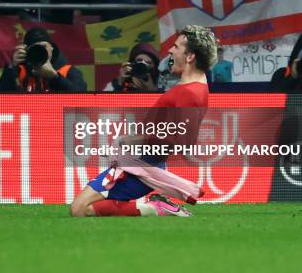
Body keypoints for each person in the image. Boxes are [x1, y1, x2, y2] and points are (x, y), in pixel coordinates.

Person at [70, 25, 218, 217]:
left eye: (176, 47)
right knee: (86, 208)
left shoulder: (190, 92)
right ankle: (154, 207)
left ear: (190, 56)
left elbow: (183, 141)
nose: (170, 51)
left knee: (79, 209)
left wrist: (134, 140)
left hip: (141, 166)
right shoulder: (194, 86)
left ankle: (156, 208)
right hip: (142, 163)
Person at [0, 27, 87, 91]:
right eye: (35, 48)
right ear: (26, 50)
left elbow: (83, 98)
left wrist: (55, 77)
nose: (40, 51)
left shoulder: (67, 70)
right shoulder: (19, 70)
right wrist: (11, 67)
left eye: (43, 46)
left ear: (51, 47)